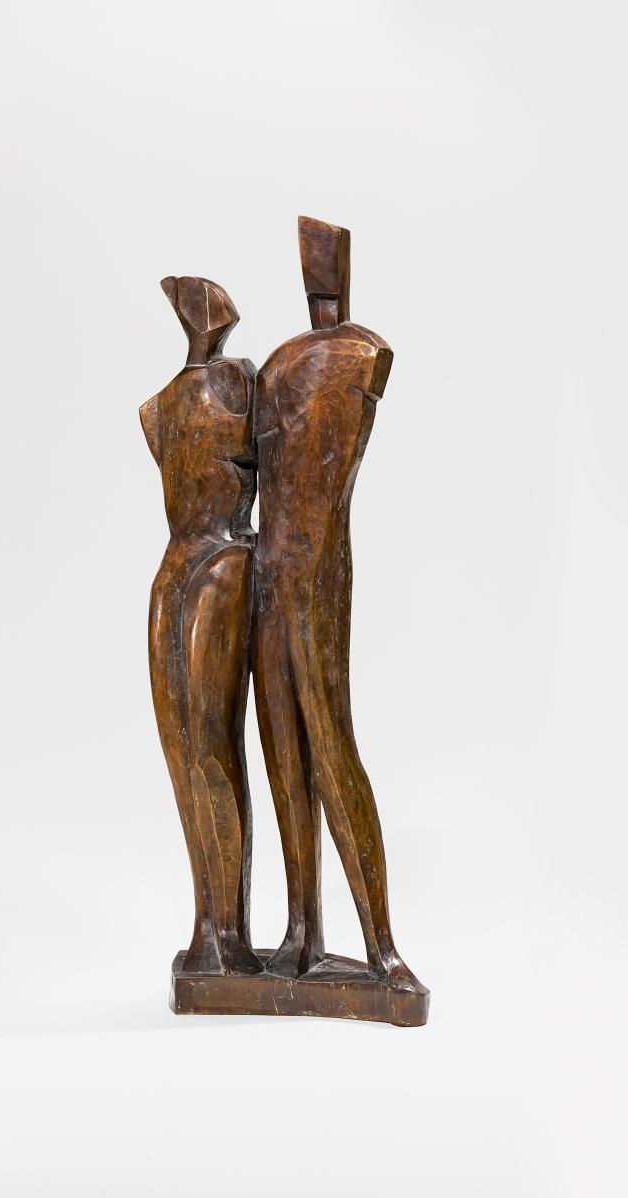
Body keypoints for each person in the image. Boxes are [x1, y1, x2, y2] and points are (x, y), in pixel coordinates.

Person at [252, 219, 424, 994]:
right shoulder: (276, 365)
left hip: (317, 567)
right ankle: (300, 930)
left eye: (325, 260)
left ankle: (381, 947)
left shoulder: (363, 353)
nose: (317, 272)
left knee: (328, 741)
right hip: (268, 566)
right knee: (281, 745)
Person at [141, 275, 261, 976]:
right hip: (174, 566)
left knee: (212, 741)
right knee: (179, 744)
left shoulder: (241, 383)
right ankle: (205, 923)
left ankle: (232, 929)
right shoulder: (159, 406)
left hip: (225, 559)